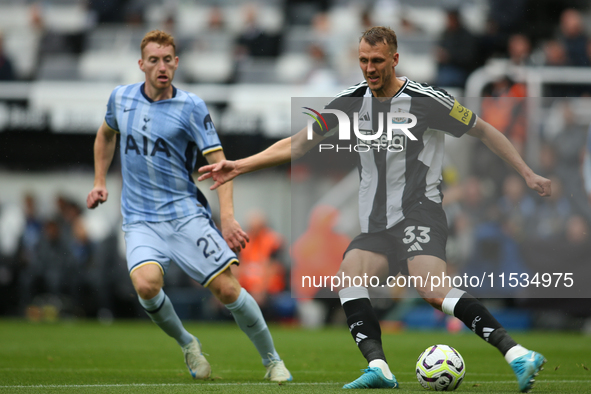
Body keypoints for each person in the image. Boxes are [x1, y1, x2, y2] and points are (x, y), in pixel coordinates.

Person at [198, 26, 551, 392]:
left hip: (420, 212)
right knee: (349, 277)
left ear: (395, 59)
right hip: (377, 227)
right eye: (364, 60)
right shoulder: (348, 103)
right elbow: (299, 144)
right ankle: (379, 368)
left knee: (432, 290)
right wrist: (239, 164)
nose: (369, 68)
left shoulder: (428, 100)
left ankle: (517, 354)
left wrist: (526, 172)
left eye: (377, 60)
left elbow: (484, 130)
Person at [86, 30, 291, 382]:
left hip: (184, 216)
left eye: (167, 59)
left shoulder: (191, 106)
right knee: (147, 285)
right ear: (141, 64)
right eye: (154, 60)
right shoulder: (120, 99)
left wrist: (226, 218)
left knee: (227, 289)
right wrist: (100, 182)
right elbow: (106, 134)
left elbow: (220, 164)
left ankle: (272, 360)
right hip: (140, 220)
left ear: (176, 63)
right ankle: (188, 345)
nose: (161, 66)